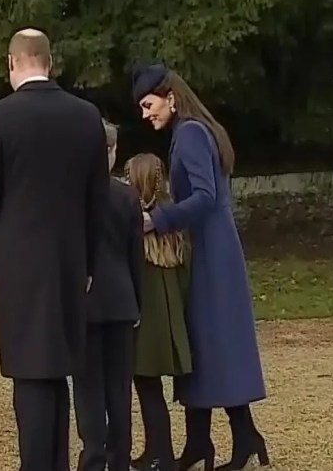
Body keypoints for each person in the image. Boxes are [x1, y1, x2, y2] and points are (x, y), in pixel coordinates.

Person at [0, 28, 110, 471]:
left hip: (20, 262)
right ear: (50, 61)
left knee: (30, 371)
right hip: (70, 260)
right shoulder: (86, 116)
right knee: (57, 366)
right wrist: (90, 262)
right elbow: (97, 198)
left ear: (12, 63)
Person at [131, 62, 270, 471]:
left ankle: (224, 441)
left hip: (209, 248)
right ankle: (213, 441)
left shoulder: (189, 133)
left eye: (148, 104)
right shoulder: (198, 129)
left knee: (208, 344)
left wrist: (157, 219)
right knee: (208, 347)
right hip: (214, 244)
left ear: (170, 97)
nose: (146, 114)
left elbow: (205, 196)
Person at [71, 120, 144, 471]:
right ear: (113, 153)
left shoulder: (68, 196)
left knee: (87, 386)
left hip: (83, 301)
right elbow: (135, 255)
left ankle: (93, 455)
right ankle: (120, 457)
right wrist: (138, 303)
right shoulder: (126, 195)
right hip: (120, 298)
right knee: (119, 387)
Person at [124, 153, 193, 471]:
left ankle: (160, 453)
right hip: (169, 318)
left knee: (148, 388)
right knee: (152, 390)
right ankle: (156, 450)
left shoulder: (139, 226)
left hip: (145, 319)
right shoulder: (173, 221)